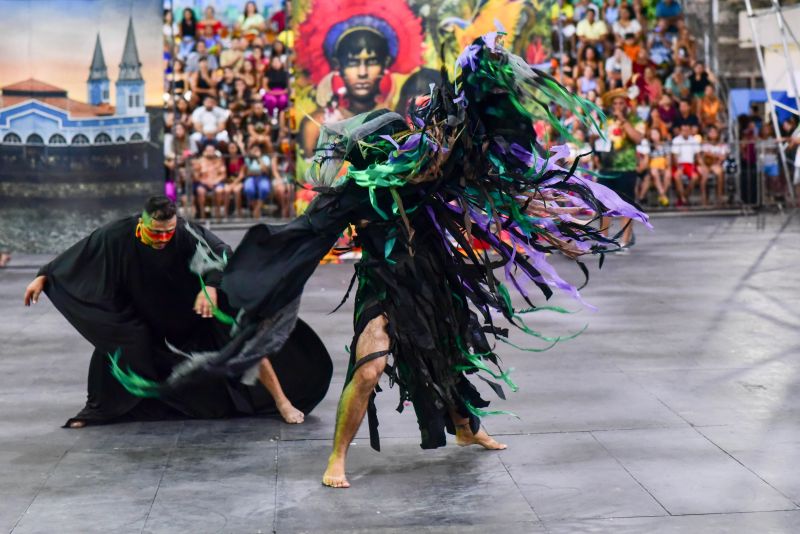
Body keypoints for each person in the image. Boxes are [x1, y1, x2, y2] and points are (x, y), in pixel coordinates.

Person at [113, 37, 649, 489]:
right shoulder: (353, 195)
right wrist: (239, 283)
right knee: (369, 368)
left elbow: (472, 146)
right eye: (384, 147)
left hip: (435, 277)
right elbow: (304, 233)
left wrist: (480, 82)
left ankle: (466, 426)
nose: (395, 151)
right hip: (383, 282)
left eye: (398, 143)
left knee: (452, 355)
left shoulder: (428, 170)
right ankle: (337, 457)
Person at [23, 196, 332, 427]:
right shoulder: (117, 234)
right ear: (141, 223)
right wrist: (45, 274)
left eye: (167, 232)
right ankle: (101, 411)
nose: (162, 239)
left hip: (194, 311)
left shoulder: (184, 231)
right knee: (119, 341)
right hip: (144, 312)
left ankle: (281, 400)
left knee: (244, 332)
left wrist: (210, 285)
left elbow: (222, 252)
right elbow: (83, 253)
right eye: (155, 233)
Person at [598, 88, 644, 248]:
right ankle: (603, 240)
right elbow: (597, 139)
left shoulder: (635, 120)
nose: (618, 106)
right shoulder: (605, 120)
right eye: (615, 103)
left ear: (626, 105)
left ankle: (625, 240)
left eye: (621, 103)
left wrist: (624, 121)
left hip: (626, 168)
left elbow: (638, 139)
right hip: (606, 168)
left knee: (626, 205)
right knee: (604, 205)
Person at [192, 143, 228, 220]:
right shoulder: (200, 161)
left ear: (215, 151)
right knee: (200, 191)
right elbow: (196, 176)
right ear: (205, 151)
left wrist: (215, 181)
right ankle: (202, 215)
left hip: (217, 182)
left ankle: (218, 214)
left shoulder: (219, 160)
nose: (210, 152)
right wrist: (204, 182)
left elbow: (223, 175)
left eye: (212, 150)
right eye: (208, 150)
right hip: (203, 183)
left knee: (220, 190)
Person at [670, 123, 702, 205]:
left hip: (690, 165)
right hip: (679, 164)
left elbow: (698, 156)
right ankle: (684, 199)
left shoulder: (694, 140)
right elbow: (674, 157)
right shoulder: (676, 140)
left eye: (687, 130)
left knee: (695, 177)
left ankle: (684, 196)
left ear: (690, 131)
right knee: (677, 176)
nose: (686, 132)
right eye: (684, 130)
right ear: (680, 131)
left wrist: (702, 165)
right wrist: (679, 167)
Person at [698, 125, 730, 206]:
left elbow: (723, 156)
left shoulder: (723, 145)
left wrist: (714, 157)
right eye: (711, 132)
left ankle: (719, 197)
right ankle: (704, 199)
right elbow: (704, 154)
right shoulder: (705, 144)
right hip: (706, 165)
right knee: (704, 177)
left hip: (717, 164)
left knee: (719, 173)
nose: (713, 134)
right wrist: (716, 156)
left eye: (714, 132)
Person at [243, 143, 275, 218]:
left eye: (257, 150)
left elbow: (266, 171)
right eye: (254, 150)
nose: (255, 151)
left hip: (262, 177)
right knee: (248, 189)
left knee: (264, 188)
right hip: (251, 178)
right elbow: (248, 173)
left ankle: (256, 210)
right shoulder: (248, 159)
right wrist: (258, 171)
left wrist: (259, 158)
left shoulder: (265, 158)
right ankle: (257, 211)